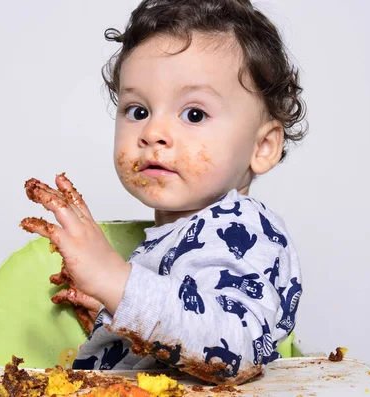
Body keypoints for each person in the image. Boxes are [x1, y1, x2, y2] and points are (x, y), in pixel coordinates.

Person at [21, 0, 307, 385]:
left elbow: (237, 348)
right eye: (138, 110)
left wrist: (114, 280)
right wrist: (114, 321)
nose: (152, 132)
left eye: (194, 114)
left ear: (263, 147)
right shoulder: (176, 239)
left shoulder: (243, 228)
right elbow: (181, 332)